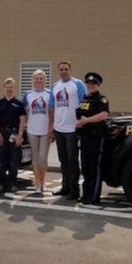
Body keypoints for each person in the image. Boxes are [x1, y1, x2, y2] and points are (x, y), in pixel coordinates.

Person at [51, 60, 85, 200]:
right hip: (59, 128)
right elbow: (52, 107)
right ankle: (65, 186)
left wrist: (81, 120)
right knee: (63, 160)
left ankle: (74, 189)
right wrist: (52, 126)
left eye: (66, 69)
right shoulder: (55, 86)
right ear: (58, 71)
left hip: (72, 129)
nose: (63, 71)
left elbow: (84, 103)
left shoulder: (77, 84)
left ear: (70, 70)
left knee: (72, 161)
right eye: (61, 69)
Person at [76, 71, 110, 206]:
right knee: (85, 167)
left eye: (93, 84)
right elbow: (79, 115)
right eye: (88, 84)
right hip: (85, 136)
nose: (90, 86)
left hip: (96, 137)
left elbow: (103, 115)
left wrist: (86, 121)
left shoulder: (101, 99)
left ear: (98, 85)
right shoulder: (84, 99)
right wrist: (79, 122)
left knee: (95, 167)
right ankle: (86, 195)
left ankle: (94, 197)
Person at [0, 77, 26, 194]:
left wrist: (20, 135)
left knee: (13, 160)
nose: (9, 89)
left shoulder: (18, 104)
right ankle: (1, 183)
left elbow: (22, 120)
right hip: (1, 132)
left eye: (11, 87)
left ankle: (12, 183)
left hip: (14, 133)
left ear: (13, 88)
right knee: (1, 160)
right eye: (7, 87)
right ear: (4, 88)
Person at [22, 69, 54, 195]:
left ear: (44, 80)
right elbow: (21, 112)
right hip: (32, 129)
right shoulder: (28, 95)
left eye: (41, 78)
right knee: (35, 157)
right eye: (36, 78)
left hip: (45, 130)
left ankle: (43, 180)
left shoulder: (49, 94)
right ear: (33, 80)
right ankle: (38, 183)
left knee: (43, 158)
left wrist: (52, 128)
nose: (39, 81)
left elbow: (53, 112)